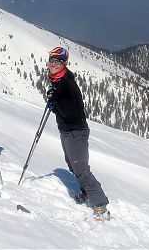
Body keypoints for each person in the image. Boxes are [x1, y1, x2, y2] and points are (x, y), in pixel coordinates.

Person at [45, 46, 110, 221]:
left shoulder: (66, 84)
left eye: (58, 61)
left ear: (64, 63)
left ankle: (100, 204)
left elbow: (71, 113)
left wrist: (54, 100)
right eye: (52, 60)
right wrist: (55, 100)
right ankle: (87, 193)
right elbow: (63, 109)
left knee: (80, 168)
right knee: (73, 165)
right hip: (67, 131)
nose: (53, 64)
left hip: (75, 131)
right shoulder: (58, 80)